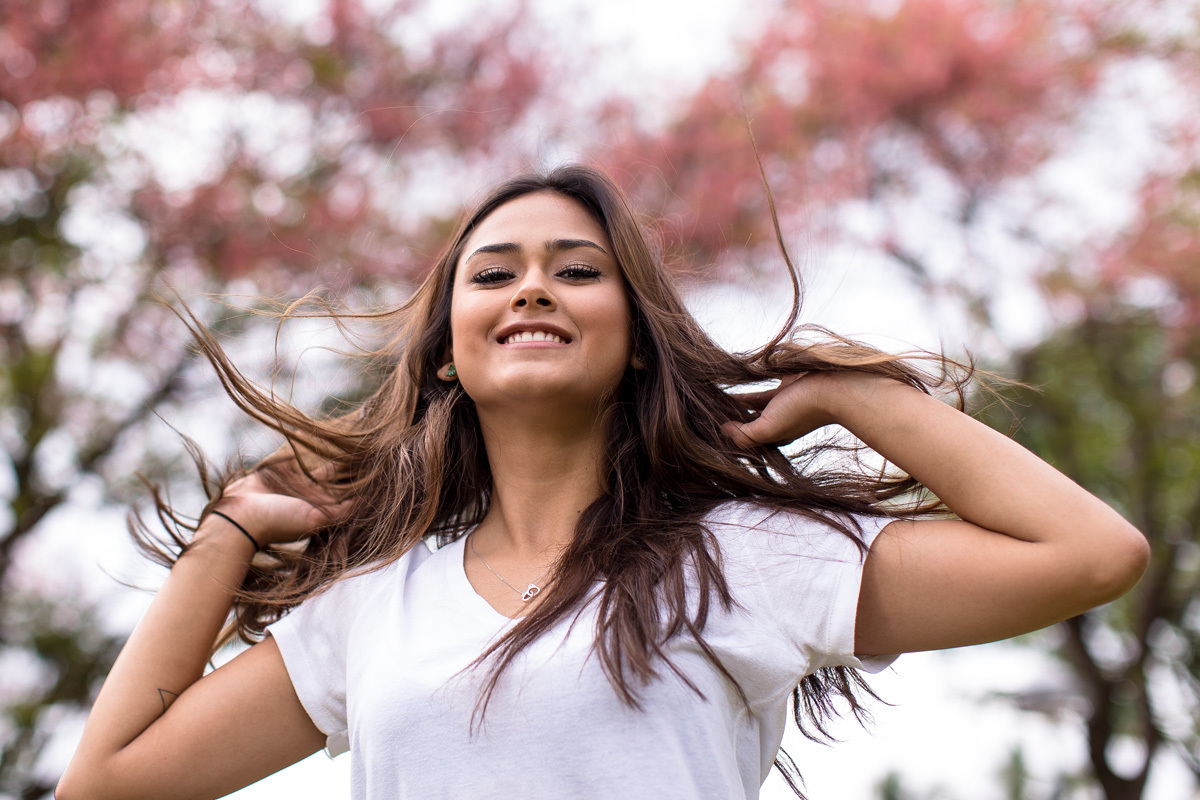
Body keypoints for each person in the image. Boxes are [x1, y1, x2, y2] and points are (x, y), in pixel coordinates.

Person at [57, 165, 1149, 800]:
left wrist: (853, 393)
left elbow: (1092, 554)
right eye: (495, 273)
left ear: (634, 340)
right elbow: (105, 783)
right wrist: (230, 530)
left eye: (577, 270)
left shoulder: (742, 554)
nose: (533, 286)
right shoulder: (374, 605)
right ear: (448, 349)